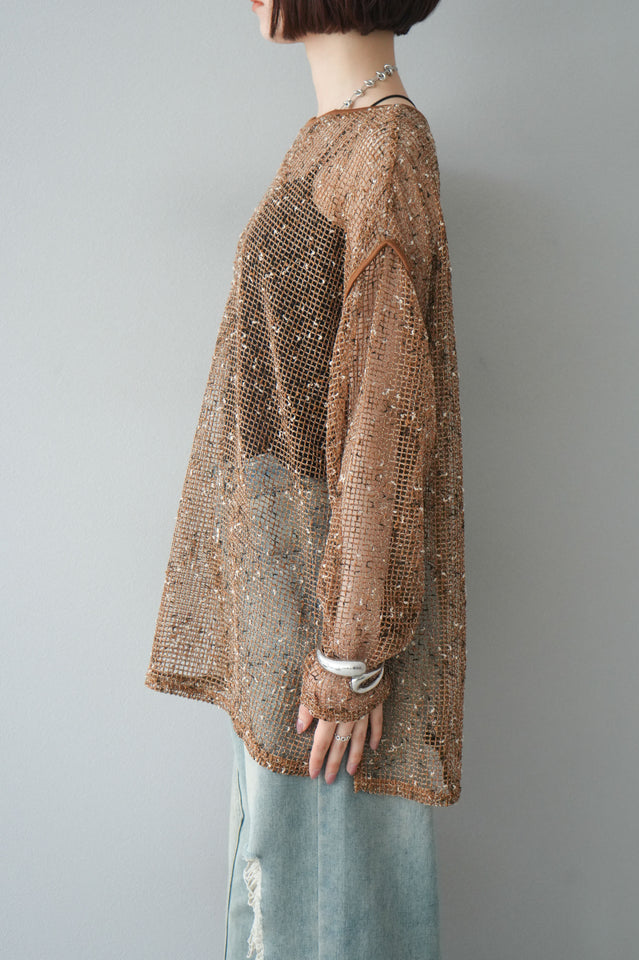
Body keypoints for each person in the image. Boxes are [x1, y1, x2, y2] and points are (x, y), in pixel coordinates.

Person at [144, 1, 467, 957]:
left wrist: (349, 657)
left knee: (323, 923)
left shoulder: (387, 151)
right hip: (284, 607)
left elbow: (387, 417)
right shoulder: (331, 137)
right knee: (276, 910)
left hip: (327, 632)